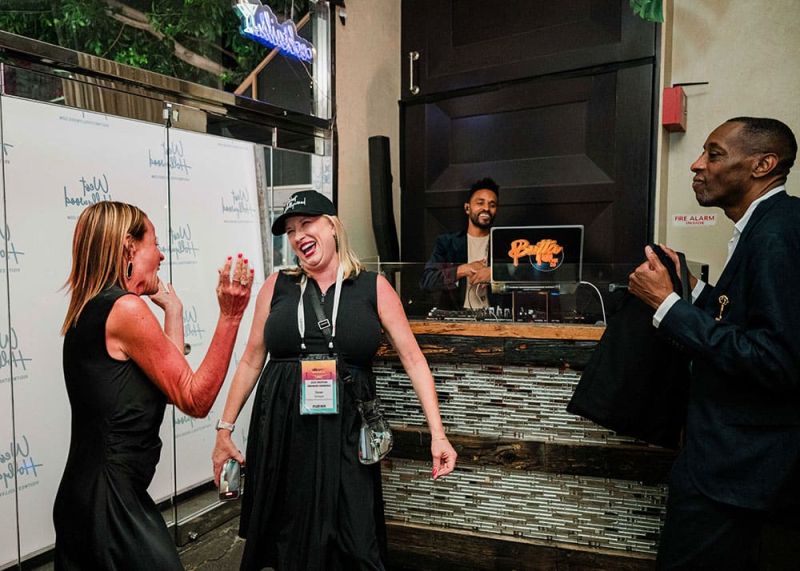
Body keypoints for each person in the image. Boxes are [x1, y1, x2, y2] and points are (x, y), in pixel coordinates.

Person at [212, 190, 458, 571]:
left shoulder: (373, 287)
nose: (298, 236)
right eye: (290, 231)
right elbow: (250, 360)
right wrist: (224, 430)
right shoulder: (276, 286)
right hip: (284, 432)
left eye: (306, 224)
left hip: (347, 432)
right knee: (288, 543)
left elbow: (413, 360)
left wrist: (438, 434)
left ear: (332, 226)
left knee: (357, 542)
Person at [628, 117, 800, 569]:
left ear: (763, 165)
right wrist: (690, 288)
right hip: (735, 467)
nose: (697, 165)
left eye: (714, 154)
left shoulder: (777, 234)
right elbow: (741, 318)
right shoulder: (766, 225)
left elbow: (775, 359)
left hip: (739, 472)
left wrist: (667, 306)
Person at [54, 201, 253, 570]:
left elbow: (170, 385)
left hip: (92, 498)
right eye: (155, 243)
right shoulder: (125, 309)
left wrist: (173, 311)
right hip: (110, 506)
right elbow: (194, 398)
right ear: (129, 248)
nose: (161, 255)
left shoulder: (93, 306)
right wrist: (231, 316)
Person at [419, 177, 499, 309]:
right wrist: (462, 270)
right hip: (457, 317)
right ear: (467, 208)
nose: (486, 208)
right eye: (480, 203)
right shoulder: (447, 243)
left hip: (495, 318)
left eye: (492, 205)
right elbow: (427, 281)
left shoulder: (505, 244)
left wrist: (494, 273)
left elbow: (522, 275)